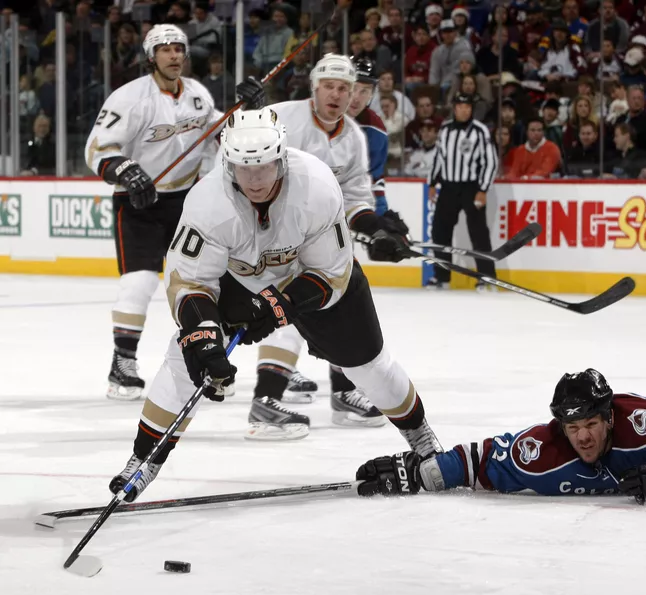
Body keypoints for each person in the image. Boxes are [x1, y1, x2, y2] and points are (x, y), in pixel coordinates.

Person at [109, 106, 443, 502]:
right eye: (242, 168)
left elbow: (332, 274)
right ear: (228, 163)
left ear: (282, 157)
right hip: (241, 277)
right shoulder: (206, 202)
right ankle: (143, 459)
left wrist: (278, 305)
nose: (254, 180)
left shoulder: (317, 185)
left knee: (367, 363)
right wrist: (204, 337)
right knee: (187, 356)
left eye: (264, 167)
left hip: (310, 275)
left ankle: (421, 438)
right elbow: (189, 281)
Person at [356, 322, 646, 504]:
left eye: (591, 425)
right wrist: (419, 475)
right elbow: (477, 460)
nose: (583, 437)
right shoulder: (543, 449)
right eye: (573, 428)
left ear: (609, 419)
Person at [84, 24, 263, 402]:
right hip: (139, 205)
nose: (174, 55)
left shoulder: (197, 94)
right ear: (152, 57)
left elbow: (221, 133)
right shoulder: (130, 97)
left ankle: (208, 359)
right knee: (141, 282)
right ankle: (123, 363)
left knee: (205, 282)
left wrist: (245, 110)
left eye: (179, 48)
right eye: (165, 49)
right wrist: (127, 171)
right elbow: (97, 148)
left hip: (187, 203)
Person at [244, 54, 411, 439]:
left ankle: (344, 393)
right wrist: (250, 109)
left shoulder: (353, 136)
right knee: (285, 310)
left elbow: (355, 198)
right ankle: (265, 402)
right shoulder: (282, 116)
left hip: (324, 239)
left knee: (345, 308)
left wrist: (376, 228)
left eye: (345, 89)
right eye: (329, 87)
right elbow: (240, 155)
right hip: (274, 235)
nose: (337, 95)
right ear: (314, 88)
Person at [426, 93, 497, 290]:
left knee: (478, 232)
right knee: (439, 231)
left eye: (467, 107)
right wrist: (432, 183)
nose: (464, 110)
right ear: (454, 108)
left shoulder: (480, 131)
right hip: (448, 187)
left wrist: (483, 189)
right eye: (460, 106)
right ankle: (442, 277)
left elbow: (490, 161)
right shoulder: (446, 129)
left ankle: (486, 277)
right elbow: (438, 158)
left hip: (471, 187)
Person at [347, 56, 389, 215]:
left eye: (364, 91)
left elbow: (374, 178)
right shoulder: (321, 117)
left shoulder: (375, 130)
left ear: (372, 94)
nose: (356, 97)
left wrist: (381, 215)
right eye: (353, 88)